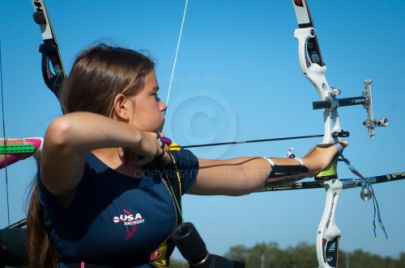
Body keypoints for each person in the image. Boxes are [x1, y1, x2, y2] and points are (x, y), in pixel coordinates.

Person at [24, 44, 347, 268]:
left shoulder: (163, 166)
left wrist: (310, 164)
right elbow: (64, 131)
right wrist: (140, 140)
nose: (163, 104)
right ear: (122, 106)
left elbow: (240, 174)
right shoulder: (73, 171)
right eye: (154, 94)